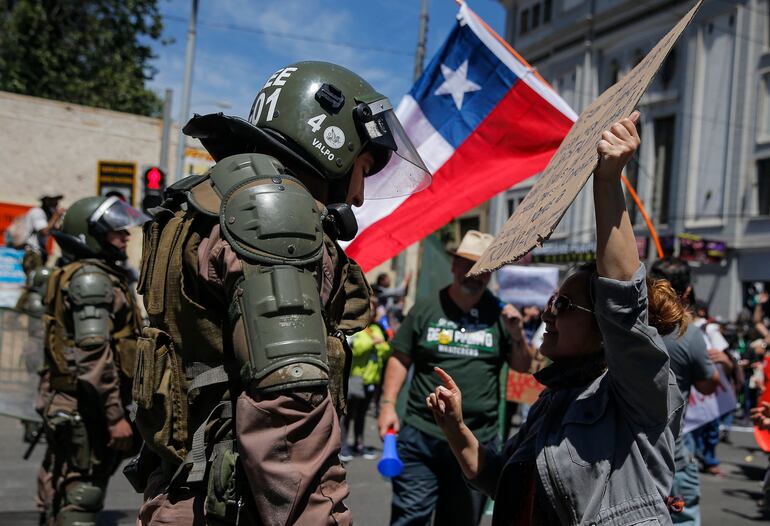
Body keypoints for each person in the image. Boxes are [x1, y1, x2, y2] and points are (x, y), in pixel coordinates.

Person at [133, 61, 430, 526]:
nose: (357, 196)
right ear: (332, 142)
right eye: (364, 168)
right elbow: (289, 415)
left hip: (184, 493)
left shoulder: (213, 200)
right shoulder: (274, 216)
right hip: (232, 508)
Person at [426, 112, 687, 525]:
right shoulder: (552, 400)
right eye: (552, 300)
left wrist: (607, 179)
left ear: (604, 328)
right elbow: (502, 480)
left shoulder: (639, 391)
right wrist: (455, 428)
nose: (548, 311)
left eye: (564, 305)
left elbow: (622, 300)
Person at [377, 229, 534, 526]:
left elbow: (523, 366)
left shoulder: (500, 315)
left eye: (483, 268)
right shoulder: (426, 308)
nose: (474, 274)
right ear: (454, 265)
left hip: (477, 442)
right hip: (421, 437)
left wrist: (517, 335)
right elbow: (400, 357)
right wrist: (387, 404)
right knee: (410, 519)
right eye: (468, 265)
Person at [38, 195, 147, 526]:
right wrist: (115, 417)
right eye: (116, 231)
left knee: (61, 481)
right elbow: (93, 356)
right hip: (87, 405)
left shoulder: (86, 273)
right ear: (91, 235)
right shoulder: (92, 280)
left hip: (74, 399)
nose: (125, 236)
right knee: (84, 492)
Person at [649, 257, 721, 524]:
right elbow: (708, 384)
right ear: (687, 291)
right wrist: (717, 365)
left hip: (628, 453)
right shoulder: (687, 334)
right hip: (672, 454)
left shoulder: (631, 326)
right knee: (683, 519)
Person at [340, 296, 392, 461]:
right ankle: (343, 447)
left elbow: (386, 350)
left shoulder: (375, 328)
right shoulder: (355, 329)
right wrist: (373, 343)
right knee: (348, 415)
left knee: (361, 415)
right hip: (355, 379)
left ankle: (359, 445)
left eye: (374, 310)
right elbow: (354, 350)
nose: (372, 313)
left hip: (371, 380)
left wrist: (378, 343)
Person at [12, 194, 65, 309]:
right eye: (54, 201)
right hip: (33, 254)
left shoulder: (46, 214)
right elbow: (44, 231)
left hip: (39, 254)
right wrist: (55, 216)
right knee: (33, 284)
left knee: (36, 285)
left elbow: (54, 230)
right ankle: (18, 311)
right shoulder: (37, 213)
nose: (57, 204)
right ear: (47, 201)